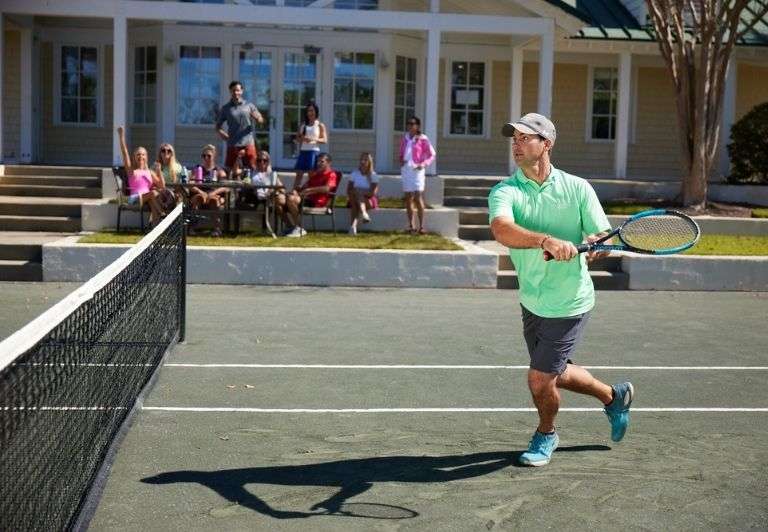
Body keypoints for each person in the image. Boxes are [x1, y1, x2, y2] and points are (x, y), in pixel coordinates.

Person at [488, 113, 634, 467]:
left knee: (540, 378)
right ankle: (613, 398)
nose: (516, 145)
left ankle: (546, 434)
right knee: (558, 371)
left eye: (525, 138)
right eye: (514, 139)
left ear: (546, 144)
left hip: (571, 301)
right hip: (533, 299)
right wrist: (545, 239)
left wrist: (598, 245)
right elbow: (502, 229)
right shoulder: (506, 190)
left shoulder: (578, 188)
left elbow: (600, 236)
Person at [116, 126, 164, 226]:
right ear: (134, 157)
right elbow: (125, 153)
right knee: (152, 194)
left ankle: (155, 229)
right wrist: (121, 136)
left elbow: (161, 186)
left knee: (153, 200)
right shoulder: (132, 171)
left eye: (143, 154)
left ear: (146, 157)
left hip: (147, 198)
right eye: (138, 154)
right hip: (135, 199)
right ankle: (163, 214)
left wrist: (159, 171)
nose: (140, 156)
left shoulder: (150, 172)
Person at [284, 152, 338, 237]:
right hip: (308, 199)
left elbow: (327, 189)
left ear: (329, 163)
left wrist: (310, 190)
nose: (318, 163)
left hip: (318, 202)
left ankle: (299, 228)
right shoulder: (316, 174)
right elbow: (305, 187)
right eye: (318, 161)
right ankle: (292, 227)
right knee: (285, 198)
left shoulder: (331, 174)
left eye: (322, 161)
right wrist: (297, 190)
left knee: (291, 199)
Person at [216, 80, 264, 170]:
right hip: (233, 144)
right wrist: (224, 135)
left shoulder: (249, 105)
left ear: (242, 91)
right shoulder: (226, 108)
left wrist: (258, 118)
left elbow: (260, 119)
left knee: (253, 168)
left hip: (248, 143)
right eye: (233, 90)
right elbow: (218, 126)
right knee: (229, 170)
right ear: (230, 91)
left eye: (237, 90)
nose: (235, 92)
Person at [399, 116, 435, 235]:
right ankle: (411, 225)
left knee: (418, 195)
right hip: (406, 170)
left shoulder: (423, 138)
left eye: (412, 123)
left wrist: (423, 164)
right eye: (408, 123)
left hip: (417, 170)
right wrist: (401, 159)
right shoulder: (404, 138)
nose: (410, 126)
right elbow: (401, 152)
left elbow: (432, 154)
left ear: (417, 126)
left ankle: (422, 226)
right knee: (408, 197)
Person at [235, 150, 286, 229]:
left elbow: (281, 187)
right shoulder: (251, 172)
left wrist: (274, 190)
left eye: (264, 160)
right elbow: (236, 171)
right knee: (270, 204)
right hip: (254, 197)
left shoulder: (272, 174)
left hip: (269, 197)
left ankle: (284, 226)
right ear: (256, 161)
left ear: (268, 162)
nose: (261, 162)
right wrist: (238, 158)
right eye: (259, 160)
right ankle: (267, 227)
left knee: (275, 203)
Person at [190, 144, 228, 237]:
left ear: (214, 156)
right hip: (201, 193)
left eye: (209, 156)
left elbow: (225, 186)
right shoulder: (197, 169)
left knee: (213, 200)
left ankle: (216, 229)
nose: (206, 158)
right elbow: (190, 184)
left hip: (214, 194)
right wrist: (200, 192)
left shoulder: (219, 171)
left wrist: (213, 193)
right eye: (204, 156)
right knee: (198, 198)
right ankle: (192, 228)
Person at [294, 102, 327, 189]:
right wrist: (303, 139)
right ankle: (293, 195)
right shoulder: (303, 124)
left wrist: (314, 139)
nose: (310, 113)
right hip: (303, 151)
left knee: (311, 175)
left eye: (312, 110)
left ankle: (311, 196)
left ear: (316, 111)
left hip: (313, 152)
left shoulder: (320, 125)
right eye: (308, 111)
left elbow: (324, 140)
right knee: (299, 174)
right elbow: (297, 138)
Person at [346, 152, 379, 236]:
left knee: (357, 198)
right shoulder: (354, 173)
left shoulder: (373, 175)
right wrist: (358, 192)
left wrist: (359, 191)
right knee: (356, 199)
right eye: (361, 159)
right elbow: (349, 190)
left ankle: (353, 226)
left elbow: (372, 193)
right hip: (354, 199)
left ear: (369, 162)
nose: (363, 162)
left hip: (369, 201)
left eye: (365, 160)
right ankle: (360, 219)